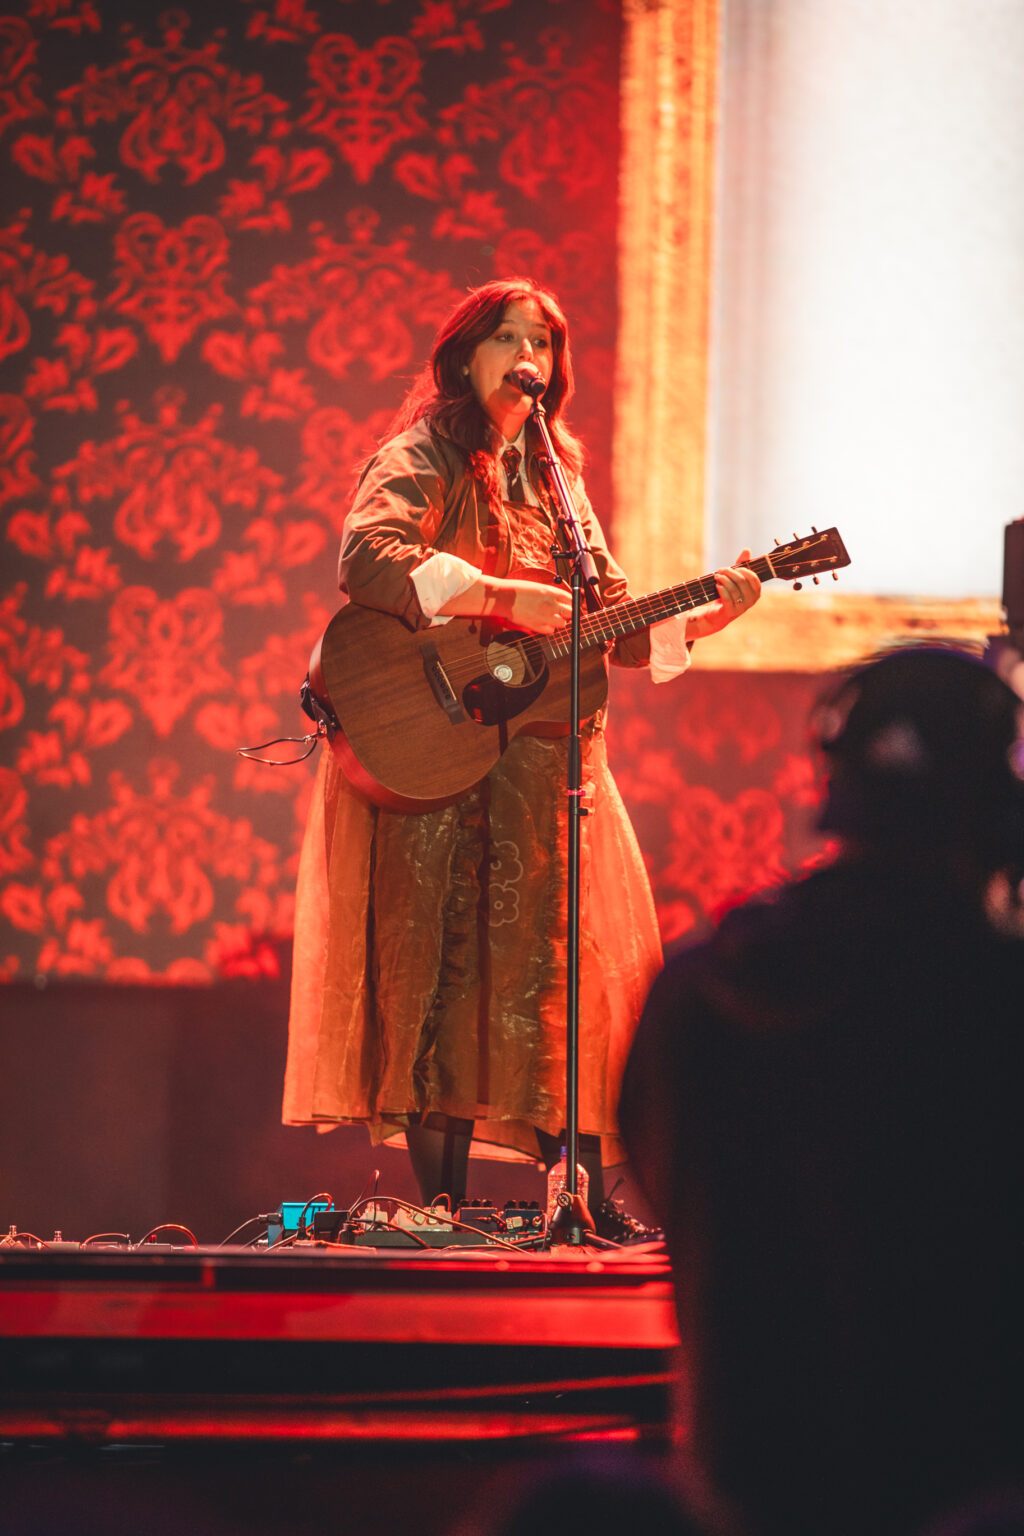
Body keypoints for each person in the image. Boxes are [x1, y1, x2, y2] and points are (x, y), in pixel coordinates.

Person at [283, 277, 761, 1222]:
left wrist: (703, 617)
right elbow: (368, 557)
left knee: (549, 983)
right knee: (439, 980)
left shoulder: (558, 484)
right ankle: (443, 1208)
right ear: (465, 356)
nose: (527, 358)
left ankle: (575, 1202)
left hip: (542, 770)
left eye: (541, 342)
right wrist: (501, 598)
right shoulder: (420, 453)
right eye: (507, 338)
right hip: (436, 757)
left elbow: (612, 621)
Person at [619, 645, 1024, 1536]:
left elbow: (663, 1184)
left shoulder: (695, 994)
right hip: (966, 1486)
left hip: (748, 1483)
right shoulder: (998, 996)